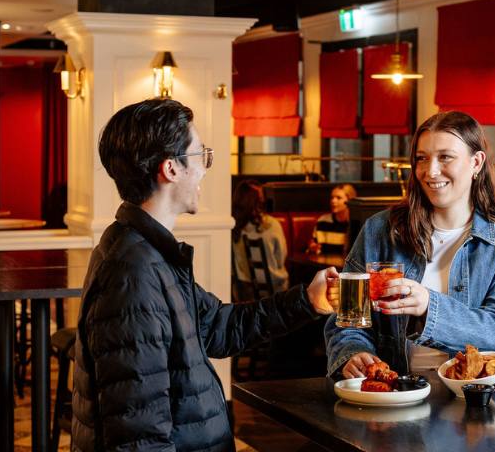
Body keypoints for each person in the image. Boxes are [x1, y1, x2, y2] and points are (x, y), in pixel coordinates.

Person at [71, 99, 337, 451]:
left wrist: (306, 301)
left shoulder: (150, 252)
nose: (205, 169)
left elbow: (219, 327)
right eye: (200, 156)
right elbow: (140, 436)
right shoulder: (132, 274)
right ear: (170, 169)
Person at [324, 111, 495, 379]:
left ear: (476, 162)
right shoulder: (380, 231)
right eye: (422, 158)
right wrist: (352, 353)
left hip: (476, 395)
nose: (430, 171)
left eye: (445, 157)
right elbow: (347, 319)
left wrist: (429, 305)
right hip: (396, 392)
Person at [231, 179, 289, 294]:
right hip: (274, 290)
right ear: (259, 200)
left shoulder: (231, 225)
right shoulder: (271, 224)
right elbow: (281, 258)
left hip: (243, 292)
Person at [308, 184, 357, 255]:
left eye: (338, 198)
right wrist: (312, 248)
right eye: (332, 198)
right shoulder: (323, 221)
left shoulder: (356, 223)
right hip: (324, 264)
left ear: (350, 201)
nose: (333, 201)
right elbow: (314, 247)